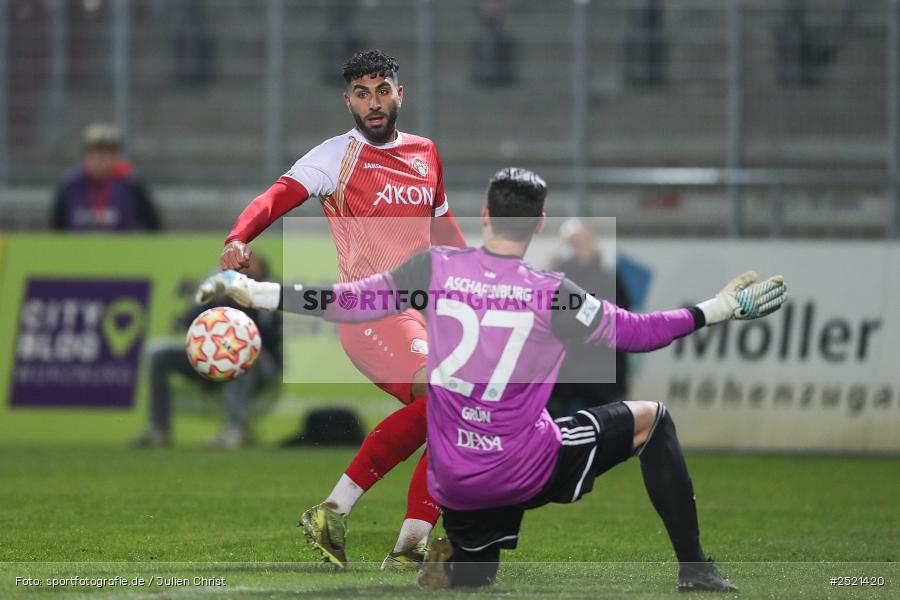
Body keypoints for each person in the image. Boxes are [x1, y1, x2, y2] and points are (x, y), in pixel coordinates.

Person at [200, 167, 787, 592]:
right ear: (537, 228)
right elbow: (637, 332)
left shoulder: (436, 268)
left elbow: (349, 301)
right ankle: (695, 570)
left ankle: (453, 551)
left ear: (483, 216)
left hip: (456, 483)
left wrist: (259, 293)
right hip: (528, 466)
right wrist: (720, 307)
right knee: (653, 420)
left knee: (475, 573)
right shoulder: (552, 293)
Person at [217, 49, 467, 568]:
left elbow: (445, 233)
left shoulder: (426, 153)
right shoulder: (335, 156)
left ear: (401, 93)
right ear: (347, 100)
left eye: (381, 90)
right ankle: (339, 510)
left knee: (457, 414)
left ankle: (407, 547)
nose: (373, 103)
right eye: (361, 93)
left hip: (424, 315)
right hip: (372, 315)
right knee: (448, 401)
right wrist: (240, 237)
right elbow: (275, 197)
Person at [132, 254, 281, 449]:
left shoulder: (268, 293)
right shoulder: (218, 290)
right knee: (157, 352)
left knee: (242, 352)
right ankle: (158, 429)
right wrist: (213, 302)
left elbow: (270, 337)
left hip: (260, 363)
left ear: (262, 271)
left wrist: (246, 303)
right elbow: (189, 324)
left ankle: (234, 430)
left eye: (250, 265)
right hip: (211, 357)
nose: (243, 269)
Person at [547, 219, 631, 417]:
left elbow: (618, 318)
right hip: (565, 374)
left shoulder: (607, 277)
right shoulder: (558, 276)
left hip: (597, 371)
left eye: (581, 240)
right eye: (572, 241)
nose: (576, 246)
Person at [52, 123, 160, 232]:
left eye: (106, 154)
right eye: (94, 153)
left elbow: (154, 227)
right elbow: (56, 229)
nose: (99, 160)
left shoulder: (132, 185)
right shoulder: (70, 185)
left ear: (116, 156)